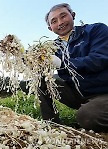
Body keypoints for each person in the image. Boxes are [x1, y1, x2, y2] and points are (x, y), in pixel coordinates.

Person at [39, 3, 108, 132]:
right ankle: (52, 126)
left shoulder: (96, 30)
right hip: (78, 94)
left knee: (87, 116)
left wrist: (63, 63)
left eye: (63, 16)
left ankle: (93, 112)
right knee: (41, 80)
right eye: (54, 21)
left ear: (73, 15)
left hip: (103, 92)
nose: (60, 23)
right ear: (50, 28)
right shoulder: (52, 48)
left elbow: (99, 59)